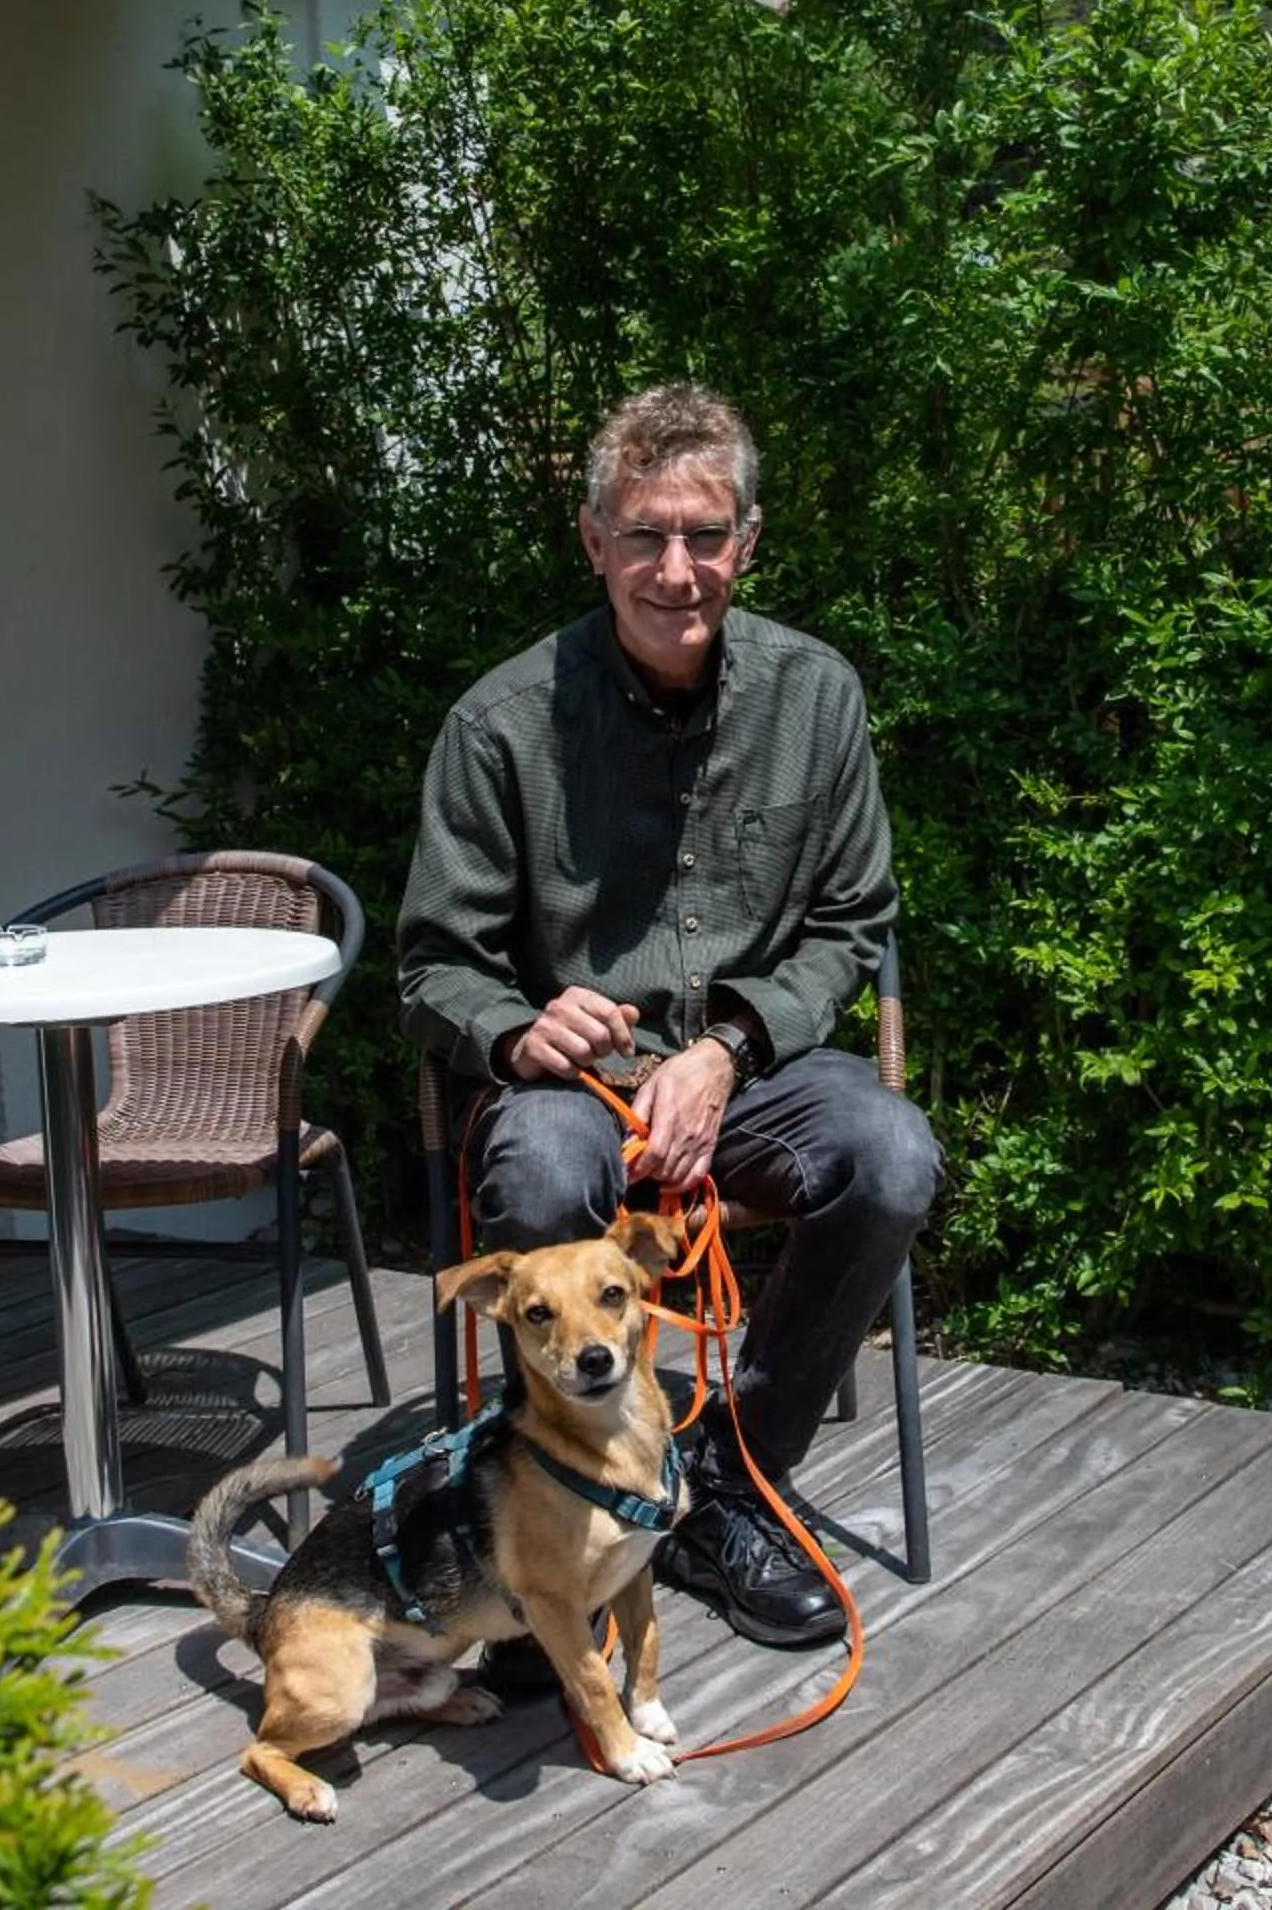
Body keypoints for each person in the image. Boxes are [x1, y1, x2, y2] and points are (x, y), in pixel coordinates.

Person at [398, 381, 941, 1650]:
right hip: (574, 1084)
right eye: (645, 534)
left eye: (705, 535)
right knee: (534, 1173)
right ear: (595, 541)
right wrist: (512, 1030)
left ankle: (730, 1486)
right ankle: (563, 1519)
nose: (676, 568)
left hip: (755, 1067)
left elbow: (853, 922)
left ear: (747, 541)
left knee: (892, 1152)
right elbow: (434, 965)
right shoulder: (498, 725)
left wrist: (727, 1047)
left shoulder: (819, 697)